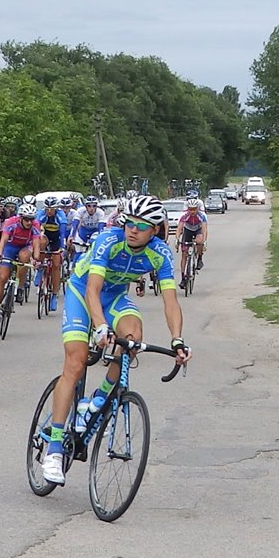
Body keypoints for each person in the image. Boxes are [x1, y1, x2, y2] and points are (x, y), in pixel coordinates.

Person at [42, 195, 192, 485]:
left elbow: (170, 300)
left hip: (115, 298)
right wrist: (99, 326)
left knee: (133, 340)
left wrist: (177, 340)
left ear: (156, 229)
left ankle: (97, 400)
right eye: (129, 223)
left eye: (141, 225)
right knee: (75, 362)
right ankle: (54, 449)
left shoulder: (160, 253)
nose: (133, 230)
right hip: (83, 293)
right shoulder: (108, 241)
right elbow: (93, 289)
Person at [175, 198, 208, 278]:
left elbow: (204, 229)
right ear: (188, 209)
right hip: (187, 230)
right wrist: (177, 240)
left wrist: (204, 241)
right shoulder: (184, 216)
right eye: (190, 209)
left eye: (194, 209)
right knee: (184, 254)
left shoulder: (202, 216)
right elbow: (179, 228)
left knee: (199, 241)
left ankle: (199, 258)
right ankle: (183, 276)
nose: (192, 211)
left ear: (198, 208)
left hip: (198, 229)